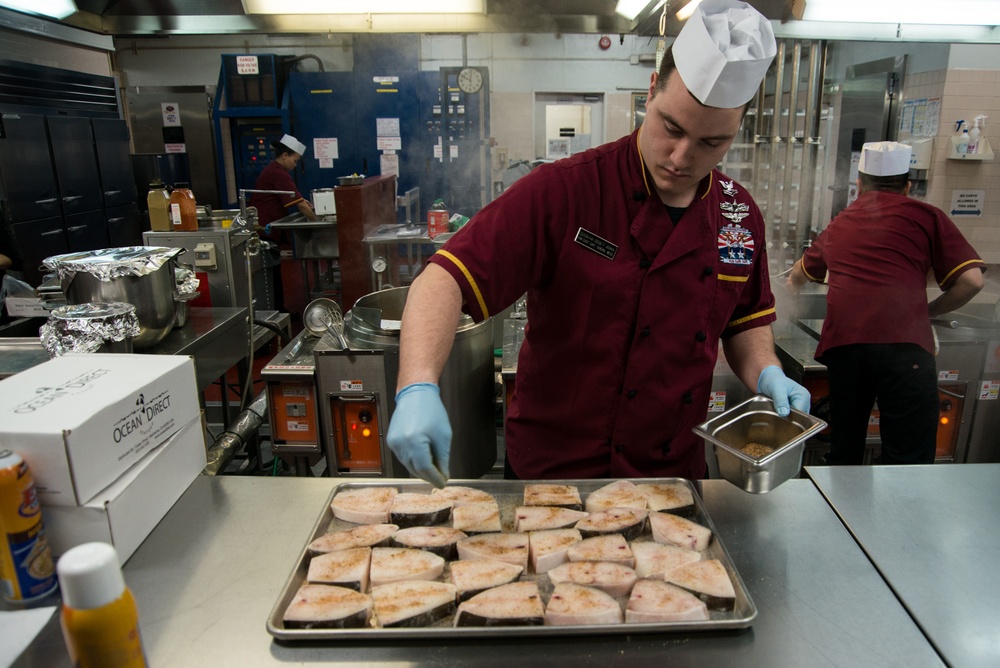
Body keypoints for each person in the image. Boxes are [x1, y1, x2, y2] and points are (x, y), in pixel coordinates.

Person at [387, 0, 811, 488]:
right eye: (671, 128)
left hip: (669, 480)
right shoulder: (566, 190)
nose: (681, 156)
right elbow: (444, 278)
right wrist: (417, 385)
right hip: (555, 478)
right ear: (651, 93)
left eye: (711, 143)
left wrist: (767, 373)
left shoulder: (739, 216)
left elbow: (745, 321)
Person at [787, 141, 986, 466]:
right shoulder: (927, 216)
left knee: (844, 453)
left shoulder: (841, 222)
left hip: (847, 352)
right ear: (907, 187)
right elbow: (973, 280)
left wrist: (786, 294)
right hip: (907, 352)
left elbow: (798, 274)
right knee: (908, 460)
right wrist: (928, 311)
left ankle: (842, 512)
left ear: (859, 185)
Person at [249, 134, 318, 312]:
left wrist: (302, 202)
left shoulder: (275, 171)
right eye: (294, 161)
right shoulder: (277, 173)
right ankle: (276, 311)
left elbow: (297, 199)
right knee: (270, 275)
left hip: (266, 228)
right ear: (285, 155)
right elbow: (301, 205)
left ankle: (279, 309)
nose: (295, 165)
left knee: (274, 273)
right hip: (264, 229)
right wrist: (316, 222)